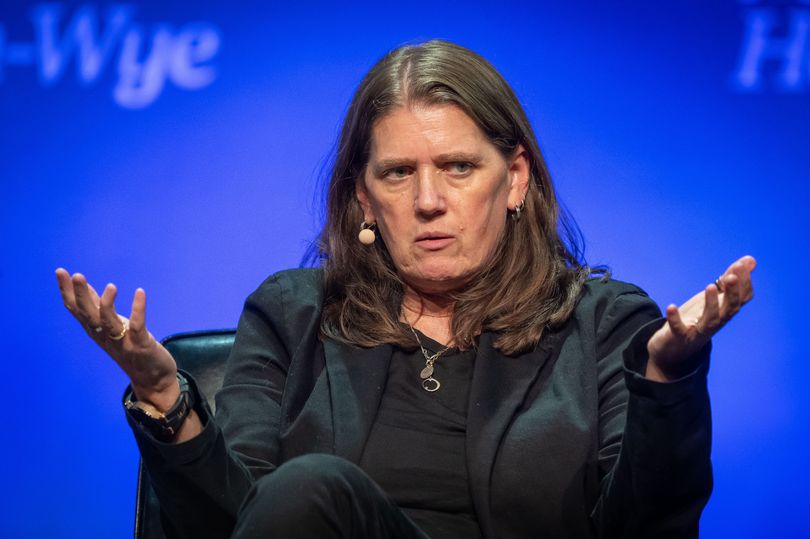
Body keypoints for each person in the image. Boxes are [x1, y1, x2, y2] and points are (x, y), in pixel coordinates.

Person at [56, 40, 755, 539]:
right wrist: (166, 399)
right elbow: (231, 524)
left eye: (457, 167)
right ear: (363, 196)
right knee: (306, 492)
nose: (428, 201)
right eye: (397, 174)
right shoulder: (292, 316)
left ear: (513, 180)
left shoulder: (603, 324)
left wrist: (666, 376)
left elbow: (649, 527)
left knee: (312, 485)